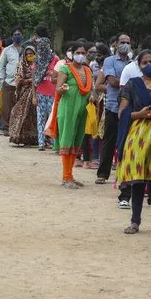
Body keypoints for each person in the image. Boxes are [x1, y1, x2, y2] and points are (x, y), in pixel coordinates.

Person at [115, 50, 151, 234]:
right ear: (139, 66)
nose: (149, 65)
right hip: (138, 134)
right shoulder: (133, 84)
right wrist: (142, 114)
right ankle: (135, 221)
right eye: (144, 63)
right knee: (138, 178)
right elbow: (123, 112)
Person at [52, 42, 93, 189]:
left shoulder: (88, 70)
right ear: (72, 53)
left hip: (82, 109)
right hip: (68, 108)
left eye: (83, 53)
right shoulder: (65, 69)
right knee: (67, 141)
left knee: (76, 141)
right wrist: (63, 89)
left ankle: (70, 175)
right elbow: (57, 89)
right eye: (78, 52)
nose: (80, 55)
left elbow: (90, 89)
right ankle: (66, 176)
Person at [95, 34, 132, 193]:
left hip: (130, 107)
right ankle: (103, 173)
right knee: (109, 141)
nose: (125, 45)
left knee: (126, 142)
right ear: (116, 44)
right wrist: (129, 85)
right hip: (112, 106)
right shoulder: (109, 61)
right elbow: (112, 81)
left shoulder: (133, 62)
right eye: (122, 42)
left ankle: (124, 174)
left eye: (127, 42)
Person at [32, 30, 59, 151]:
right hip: (41, 93)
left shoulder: (56, 59)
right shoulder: (37, 60)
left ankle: (53, 141)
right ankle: (41, 143)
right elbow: (34, 80)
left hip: (53, 94)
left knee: (52, 117)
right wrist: (34, 95)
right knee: (41, 118)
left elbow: (60, 75)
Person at [9, 46, 39, 146]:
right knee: (19, 113)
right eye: (27, 54)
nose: (29, 55)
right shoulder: (21, 65)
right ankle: (22, 137)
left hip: (37, 92)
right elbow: (18, 79)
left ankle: (35, 138)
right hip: (25, 92)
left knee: (34, 115)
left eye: (31, 53)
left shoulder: (39, 65)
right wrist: (29, 81)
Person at [0, 27, 24, 136]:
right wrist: (3, 80)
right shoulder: (7, 50)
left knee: (20, 107)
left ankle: (18, 128)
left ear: (22, 35)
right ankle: (6, 128)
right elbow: (2, 66)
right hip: (9, 82)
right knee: (7, 107)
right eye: (14, 34)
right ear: (12, 36)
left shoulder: (27, 49)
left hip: (23, 83)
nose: (17, 36)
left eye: (18, 34)